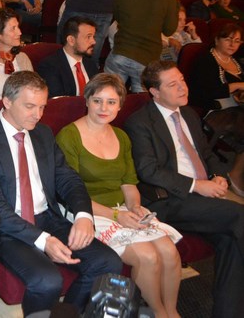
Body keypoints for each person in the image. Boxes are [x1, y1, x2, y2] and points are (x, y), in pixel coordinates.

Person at [0, 71, 123, 315]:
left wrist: (83, 216)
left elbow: (68, 178)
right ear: (7, 101)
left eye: (42, 107)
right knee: (47, 280)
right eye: (29, 106)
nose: (37, 115)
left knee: (108, 262)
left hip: (47, 217)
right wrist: (42, 240)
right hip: (7, 227)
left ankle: (67, 314)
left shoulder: (42, 133)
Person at [124, 61, 244, 318]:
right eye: (172, 84)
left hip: (201, 197)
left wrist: (219, 176)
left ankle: (228, 313)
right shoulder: (140, 122)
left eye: (182, 80)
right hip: (170, 199)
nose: (182, 87)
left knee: (230, 239)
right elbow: (148, 170)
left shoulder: (188, 113)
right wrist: (196, 185)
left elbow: (206, 154)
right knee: (240, 216)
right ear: (154, 92)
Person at [56, 74, 182, 318]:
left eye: (111, 102)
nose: (104, 108)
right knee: (147, 256)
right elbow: (69, 192)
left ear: (120, 106)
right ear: (87, 101)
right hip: (85, 210)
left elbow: (128, 183)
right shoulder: (68, 136)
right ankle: (159, 313)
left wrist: (134, 206)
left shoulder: (122, 137)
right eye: (98, 101)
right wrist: (116, 215)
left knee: (168, 250)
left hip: (121, 209)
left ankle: (172, 311)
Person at [105, 0, 179, 92]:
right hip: (146, 61)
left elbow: (118, 18)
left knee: (108, 99)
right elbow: (169, 29)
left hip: (120, 53)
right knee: (139, 106)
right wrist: (176, 2)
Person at [188, 23, 244, 193]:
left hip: (237, 108)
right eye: (228, 39)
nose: (232, 44)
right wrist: (235, 86)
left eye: (237, 41)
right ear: (217, 39)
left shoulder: (237, 62)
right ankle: (235, 175)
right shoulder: (206, 59)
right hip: (215, 110)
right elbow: (202, 92)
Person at [37, 17, 99, 98]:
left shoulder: (91, 65)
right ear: (71, 40)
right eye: (88, 37)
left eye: (93, 37)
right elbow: (58, 102)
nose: (94, 41)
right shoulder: (50, 66)